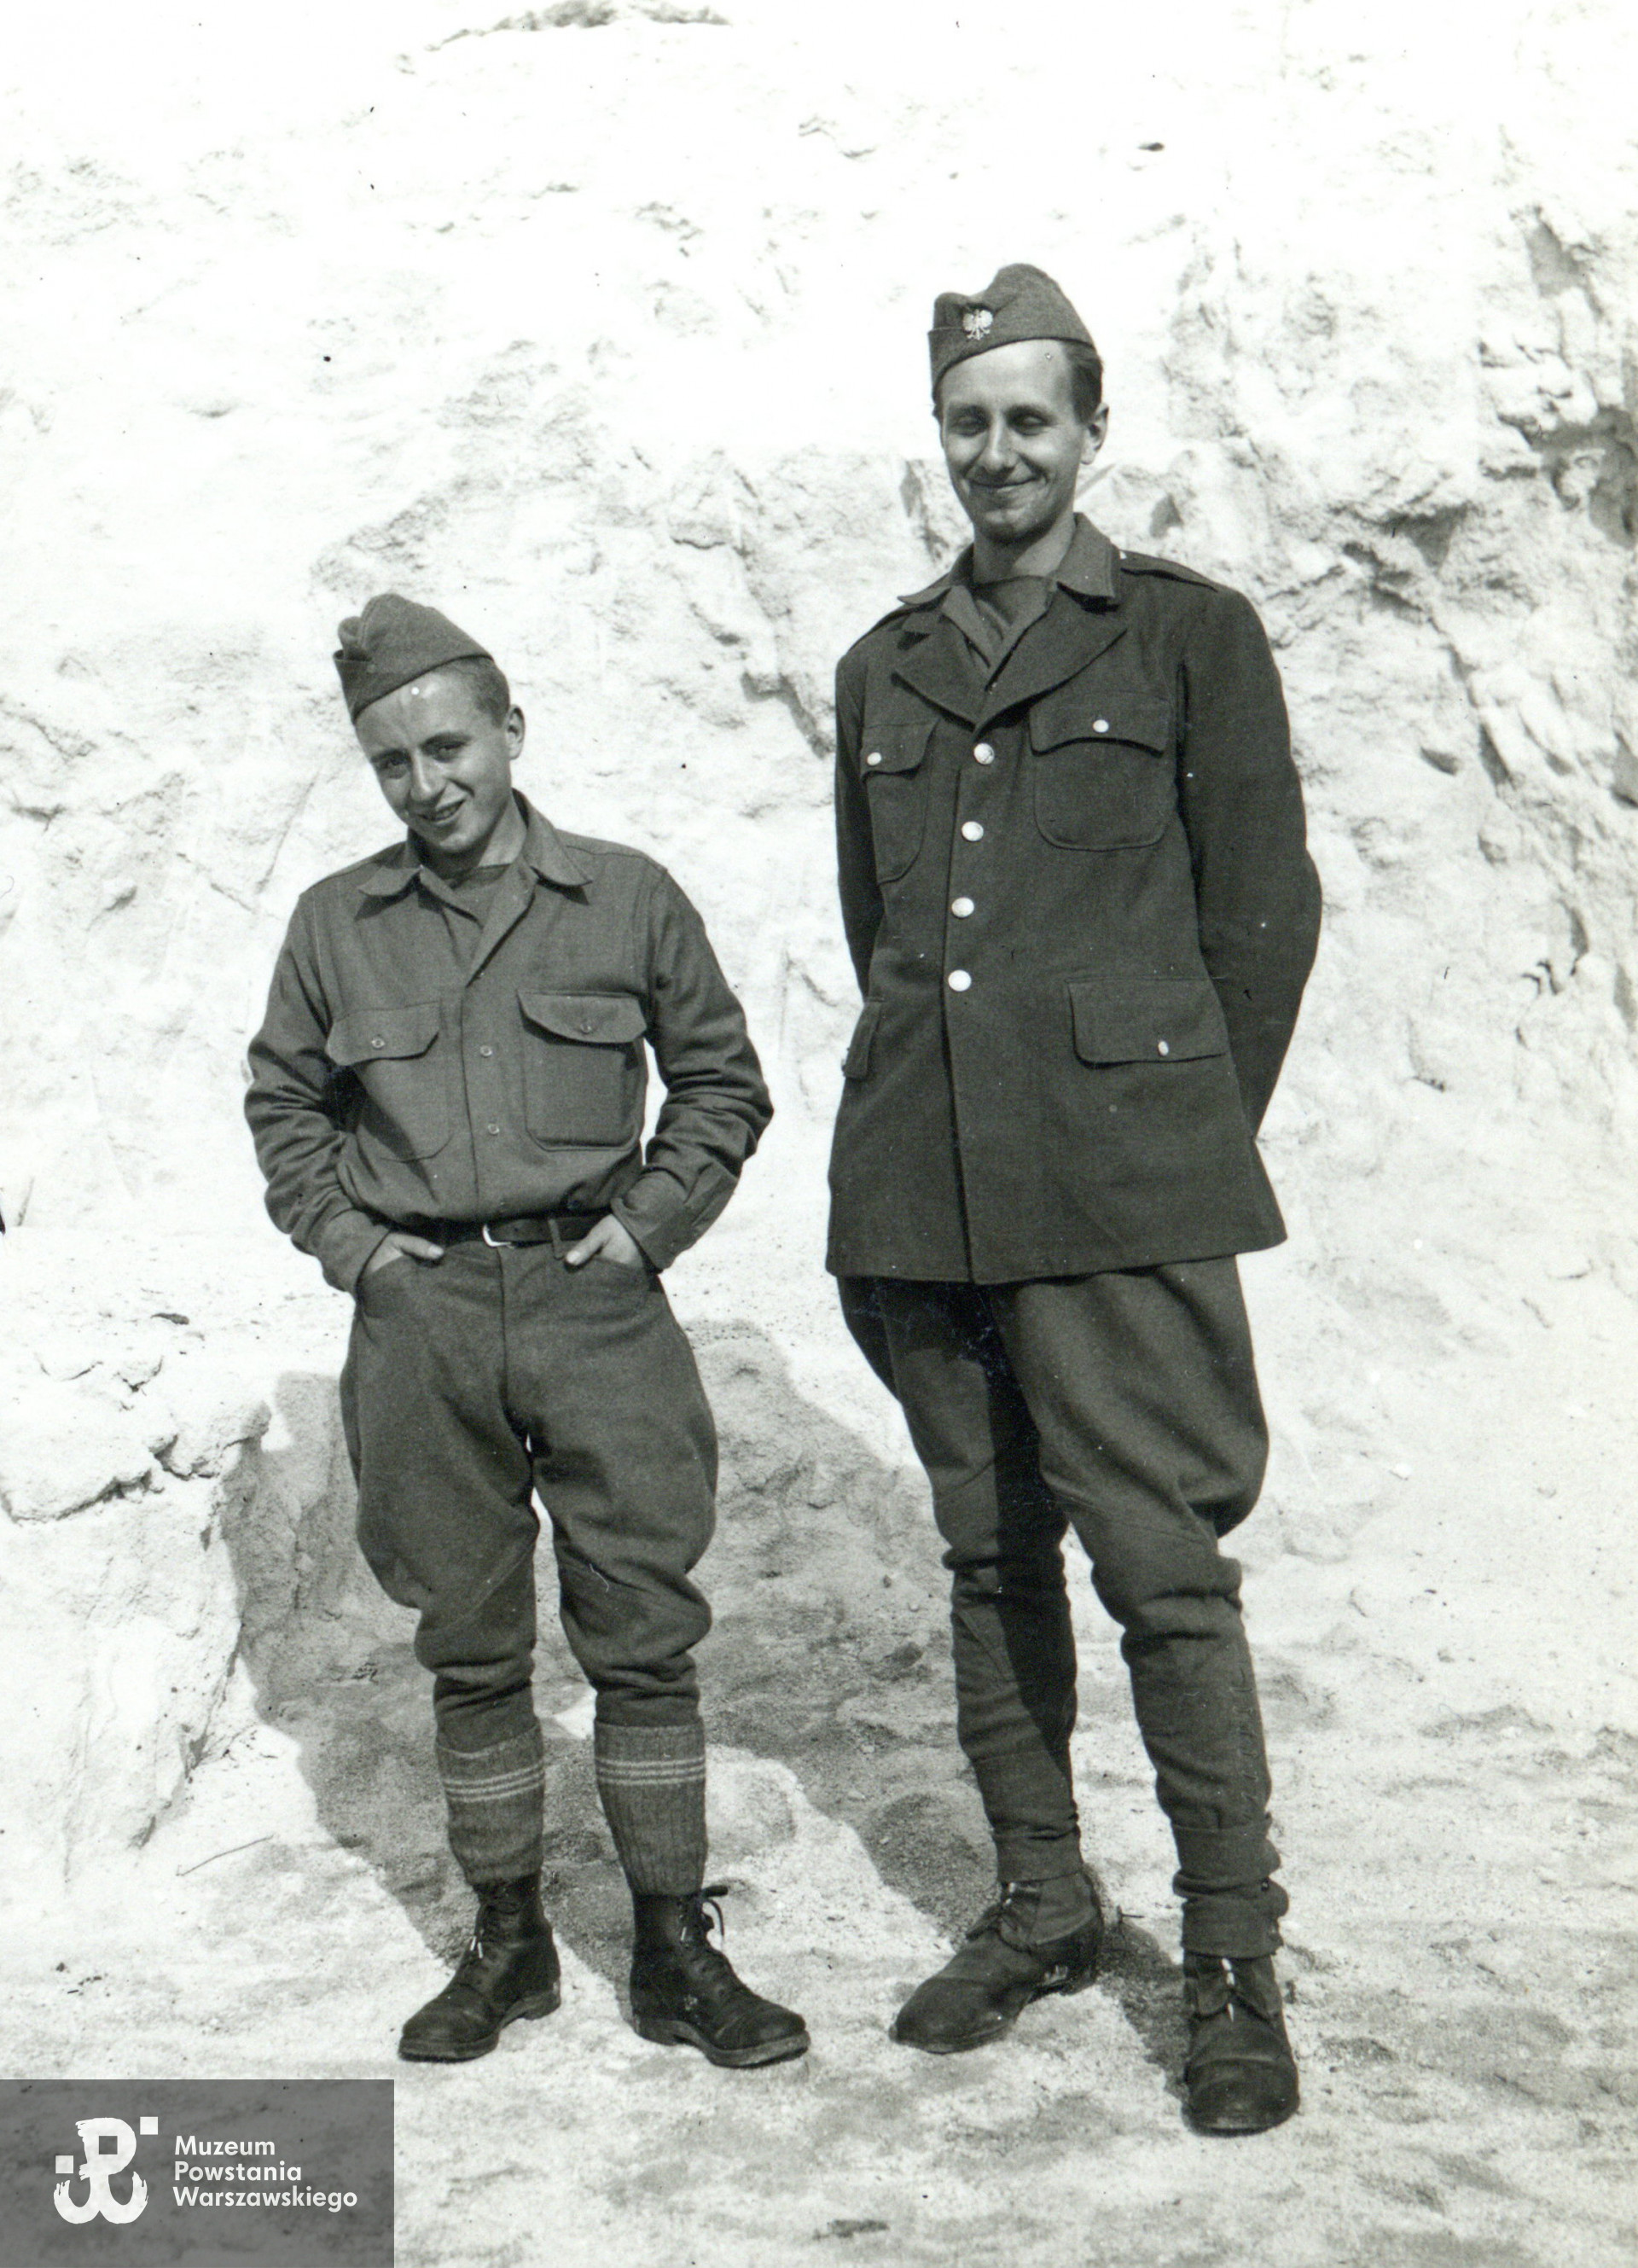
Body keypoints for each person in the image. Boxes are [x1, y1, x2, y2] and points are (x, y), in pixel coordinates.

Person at [828, 265, 1321, 2131]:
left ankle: (1229, 1966)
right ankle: (1042, 1904)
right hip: (926, 1197)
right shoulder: (886, 664)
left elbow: (1263, 918)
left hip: (1120, 1195)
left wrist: (1171, 1132)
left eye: (1032, 418)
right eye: (968, 420)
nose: (998, 452)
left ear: (1092, 432)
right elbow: (879, 931)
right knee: (986, 1563)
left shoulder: (1189, 637)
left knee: (1166, 1579)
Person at [246, 593, 807, 2070]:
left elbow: (720, 1083)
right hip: (422, 1322)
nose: (427, 784)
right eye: (392, 764)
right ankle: (510, 1943)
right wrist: (361, 1255)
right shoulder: (334, 926)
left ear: (510, 728)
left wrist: (647, 1227)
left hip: (596, 1305)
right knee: (474, 1649)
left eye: (448, 745)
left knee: (642, 1634)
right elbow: (285, 1109)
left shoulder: (626, 896)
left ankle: (678, 1949)